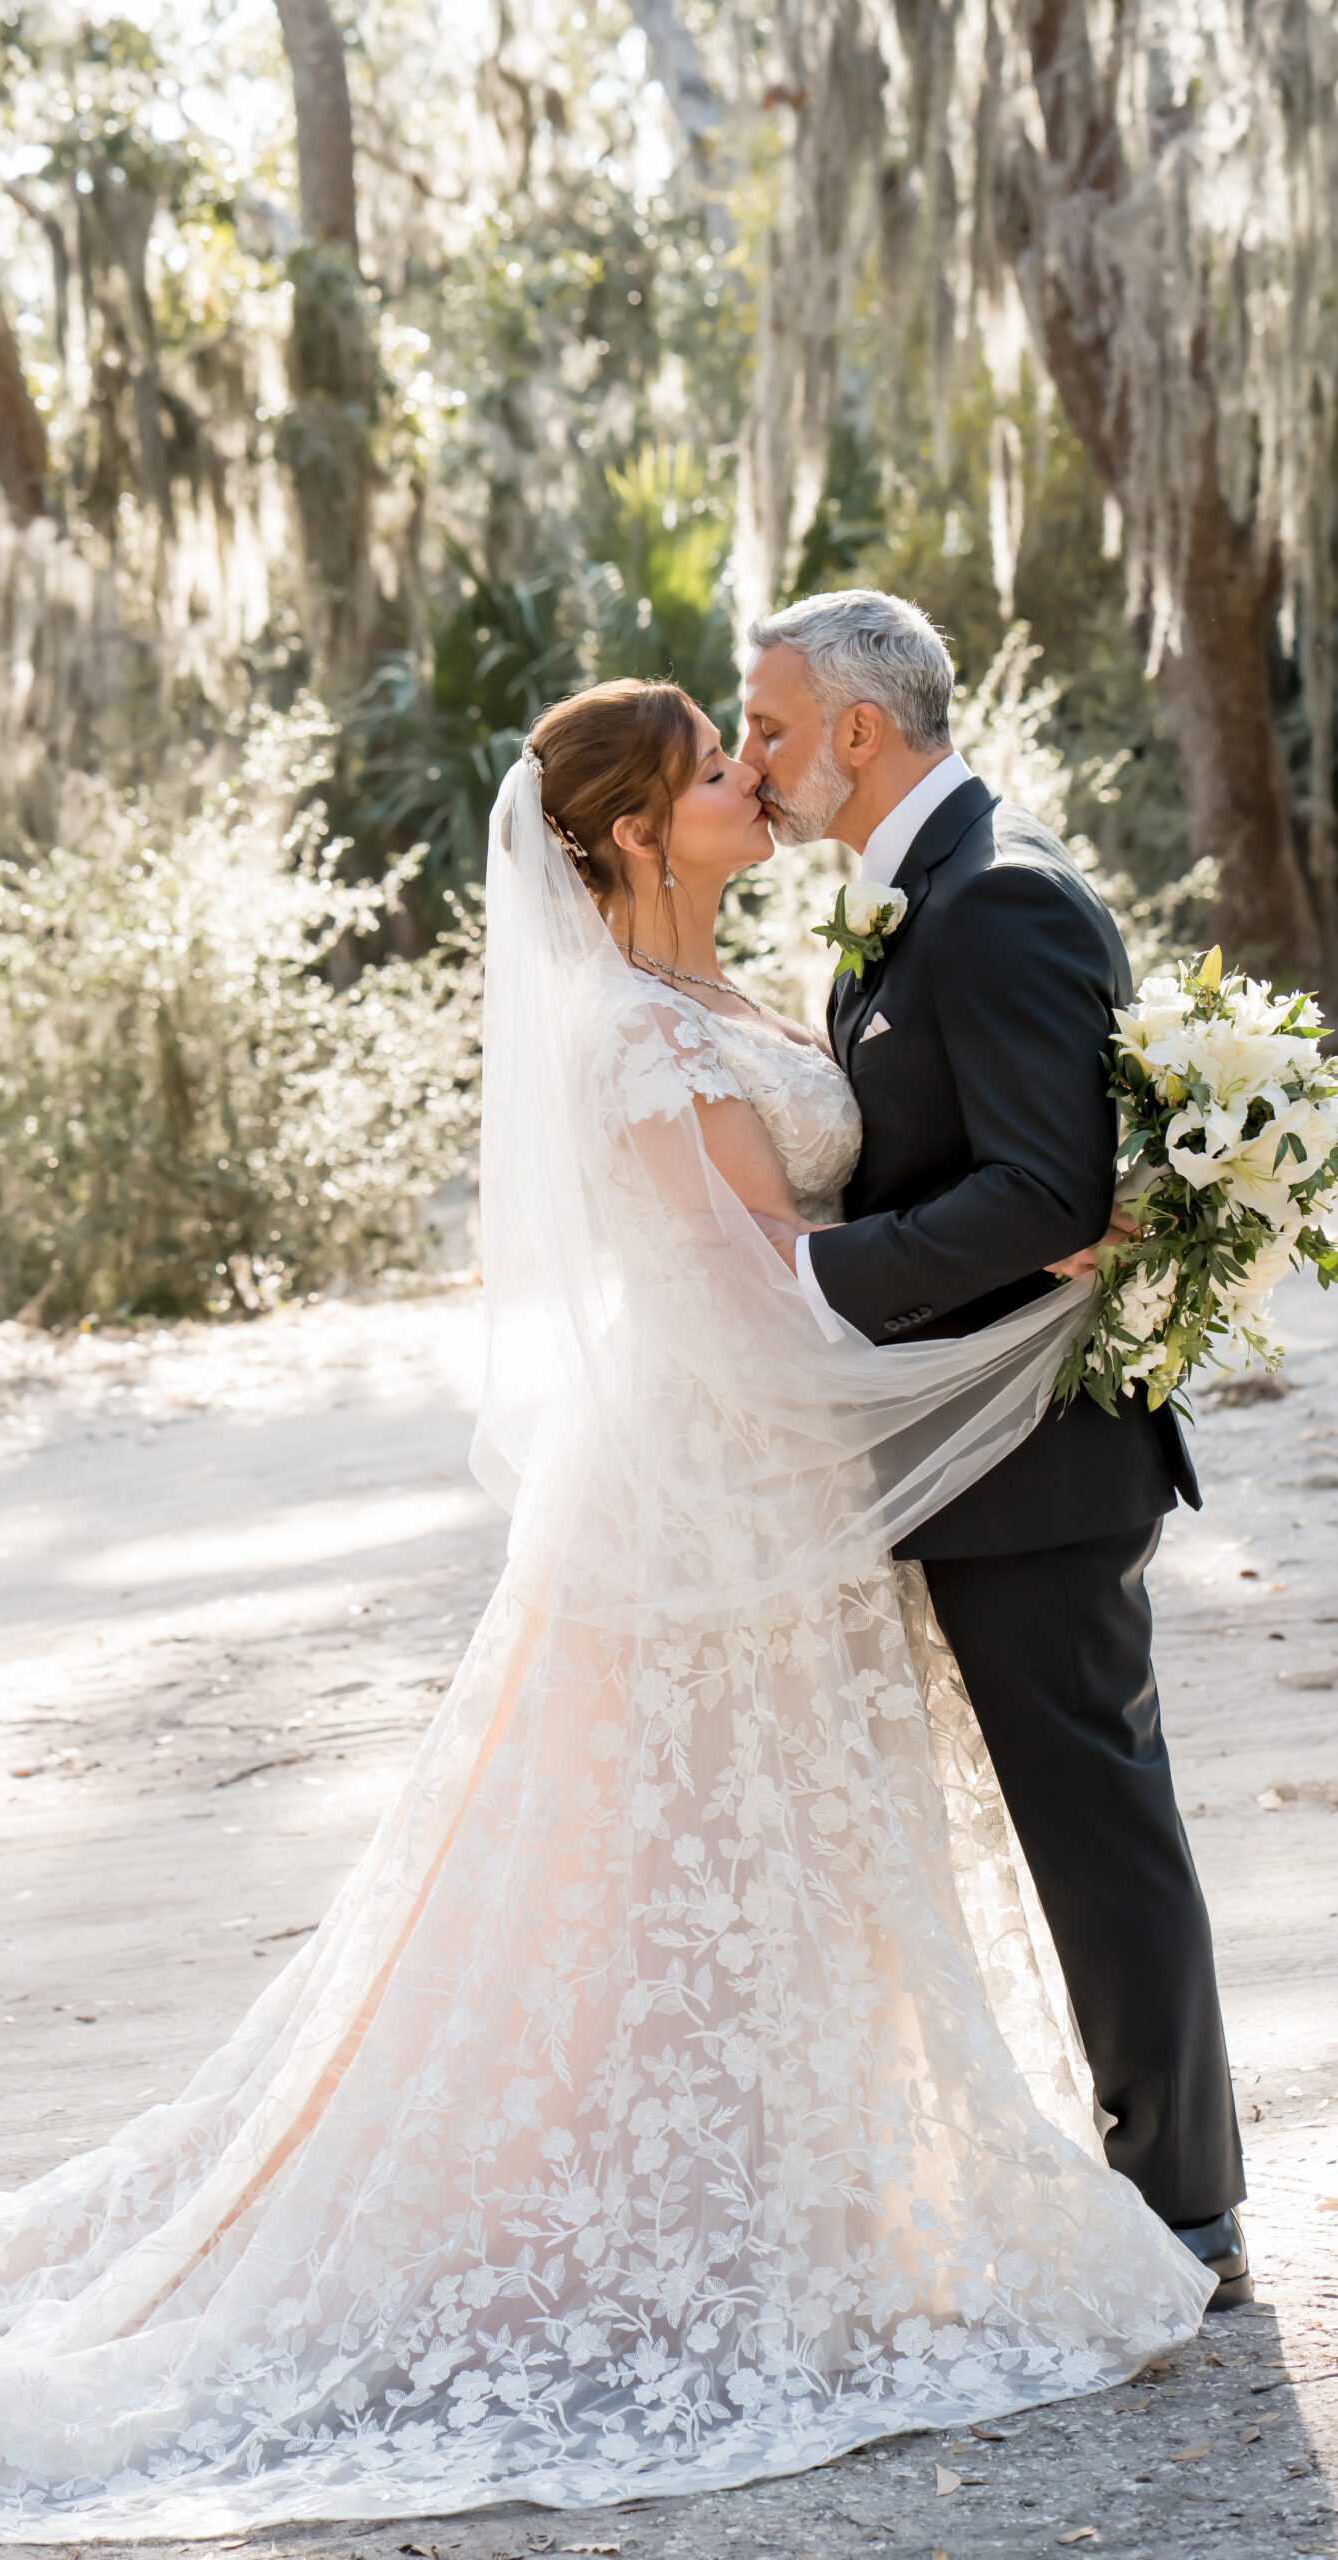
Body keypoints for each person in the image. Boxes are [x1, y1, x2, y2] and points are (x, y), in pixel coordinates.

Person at [0, 678, 1215, 2548]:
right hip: (707, 1489)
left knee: (776, 1857)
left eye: (757, 745)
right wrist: (1057, 1278)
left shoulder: (731, 990)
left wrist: (1070, 1242)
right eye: (722, 764)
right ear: (634, 831)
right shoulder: (632, 1033)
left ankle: (791, 2194)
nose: (753, 780)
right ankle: (670, 2224)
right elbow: (764, 1298)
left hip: (784, 1492)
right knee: (672, 1855)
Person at [737, 590, 1247, 2306]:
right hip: (944, 1453)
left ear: (860, 733)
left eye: (773, 727)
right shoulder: (910, 902)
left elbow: (1046, 1190)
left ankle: (1185, 2208)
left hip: (1033, 1466)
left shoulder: (1003, 895)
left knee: (1097, 1825)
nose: (759, 760)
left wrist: (813, 1278)